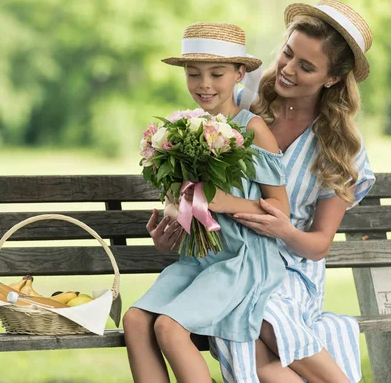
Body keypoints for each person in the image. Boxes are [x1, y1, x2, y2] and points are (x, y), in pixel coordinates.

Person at [212, 0, 376, 383]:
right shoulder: (244, 100)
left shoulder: (338, 146)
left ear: (332, 78)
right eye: (287, 54)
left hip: (291, 271)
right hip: (234, 258)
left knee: (255, 312)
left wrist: (281, 230)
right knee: (250, 346)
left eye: (306, 66)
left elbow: (319, 244)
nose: (287, 69)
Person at [123, 22, 291, 383]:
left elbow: (282, 212)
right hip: (198, 258)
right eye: (194, 73)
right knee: (136, 320)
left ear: (239, 73)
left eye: (217, 73)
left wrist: (222, 201)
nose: (204, 84)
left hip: (243, 261)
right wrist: (168, 231)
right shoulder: (181, 132)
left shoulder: (253, 129)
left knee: (169, 327)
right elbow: (182, 202)